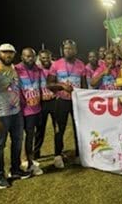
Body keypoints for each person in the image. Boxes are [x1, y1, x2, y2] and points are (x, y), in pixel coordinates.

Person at [0, 43, 30, 189]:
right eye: (4, 52)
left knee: (17, 142)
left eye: (10, 53)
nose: (7, 55)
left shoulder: (13, 69)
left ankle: (15, 170)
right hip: (1, 115)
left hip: (15, 114)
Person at [47, 39, 87, 168]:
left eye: (70, 48)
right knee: (60, 129)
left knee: (78, 129)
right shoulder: (56, 65)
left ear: (75, 50)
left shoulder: (81, 65)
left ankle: (79, 155)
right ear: (62, 50)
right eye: (65, 49)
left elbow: (84, 86)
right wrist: (62, 86)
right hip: (61, 101)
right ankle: (58, 155)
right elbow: (49, 84)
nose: (68, 51)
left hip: (77, 102)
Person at [15, 48, 44, 176]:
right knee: (27, 136)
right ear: (22, 57)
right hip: (25, 109)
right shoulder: (16, 69)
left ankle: (28, 159)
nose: (30, 59)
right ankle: (28, 162)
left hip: (37, 108)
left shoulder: (38, 69)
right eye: (27, 56)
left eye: (32, 56)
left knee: (31, 136)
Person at [33, 49, 56, 160]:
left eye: (47, 57)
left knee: (58, 129)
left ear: (51, 56)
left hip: (54, 102)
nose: (46, 60)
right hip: (42, 103)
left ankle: (58, 153)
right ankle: (36, 154)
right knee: (40, 130)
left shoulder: (55, 67)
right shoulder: (36, 69)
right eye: (43, 58)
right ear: (39, 58)